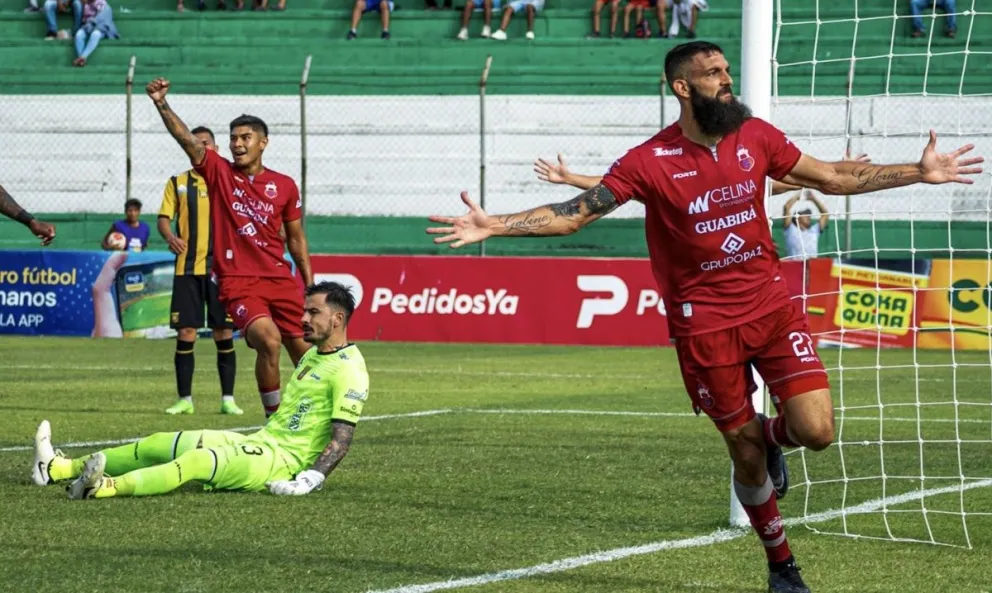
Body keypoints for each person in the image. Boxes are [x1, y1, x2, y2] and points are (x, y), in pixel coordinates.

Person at [426, 41, 983, 593]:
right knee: (741, 452)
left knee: (816, 432)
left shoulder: (756, 135)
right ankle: (782, 567)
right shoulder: (647, 161)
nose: (726, 79)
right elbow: (575, 216)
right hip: (704, 325)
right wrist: (494, 223)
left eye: (727, 69)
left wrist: (918, 171)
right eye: (712, 72)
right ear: (682, 87)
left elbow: (832, 178)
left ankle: (771, 436)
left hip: (770, 307)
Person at [32, 281, 368, 500]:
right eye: (304, 310)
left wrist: (309, 479)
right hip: (260, 441)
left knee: (193, 461)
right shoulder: (312, 354)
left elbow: (342, 440)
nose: (304, 318)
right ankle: (57, 470)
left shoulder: (349, 369)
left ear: (337, 319)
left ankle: (104, 488)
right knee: (160, 442)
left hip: (279, 462)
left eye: (314, 312)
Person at [147, 77, 314, 419]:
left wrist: (310, 285)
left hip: (280, 279)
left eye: (245, 138)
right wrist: (161, 103)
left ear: (263, 143)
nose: (237, 144)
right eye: (233, 138)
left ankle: (310, 417)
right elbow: (187, 140)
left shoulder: (284, 185)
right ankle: (275, 421)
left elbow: (295, 239)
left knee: (306, 355)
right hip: (237, 281)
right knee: (268, 341)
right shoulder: (218, 172)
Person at [157, 126, 240, 416]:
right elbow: (164, 219)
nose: (200, 147)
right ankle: (185, 400)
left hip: (223, 270)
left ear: (215, 149)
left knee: (223, 332)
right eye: (195, 143)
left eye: (206, 143)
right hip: (187, 269)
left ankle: (228, 399)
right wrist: (170, 237)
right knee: (187, 332)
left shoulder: (231, 180)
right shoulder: (178, 182)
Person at [782, 190, 829, 260]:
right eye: (805, 214)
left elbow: (825, 214)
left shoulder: (814, 230)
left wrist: (813, 199)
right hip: (795, 266)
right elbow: (786, 207)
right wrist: (798, 196)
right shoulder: (790, 229)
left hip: (812, 265)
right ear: (797, 218)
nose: (808, 216)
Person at [72, 0, 119, 67]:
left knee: (95, 34)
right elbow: (85, 20)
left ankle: (82, 57)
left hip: (101, 27)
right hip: (88, 26)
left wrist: (93, 22)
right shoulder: (86, 5)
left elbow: (104, 22)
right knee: (79, 35)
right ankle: (81, 60)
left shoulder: (105, 6)